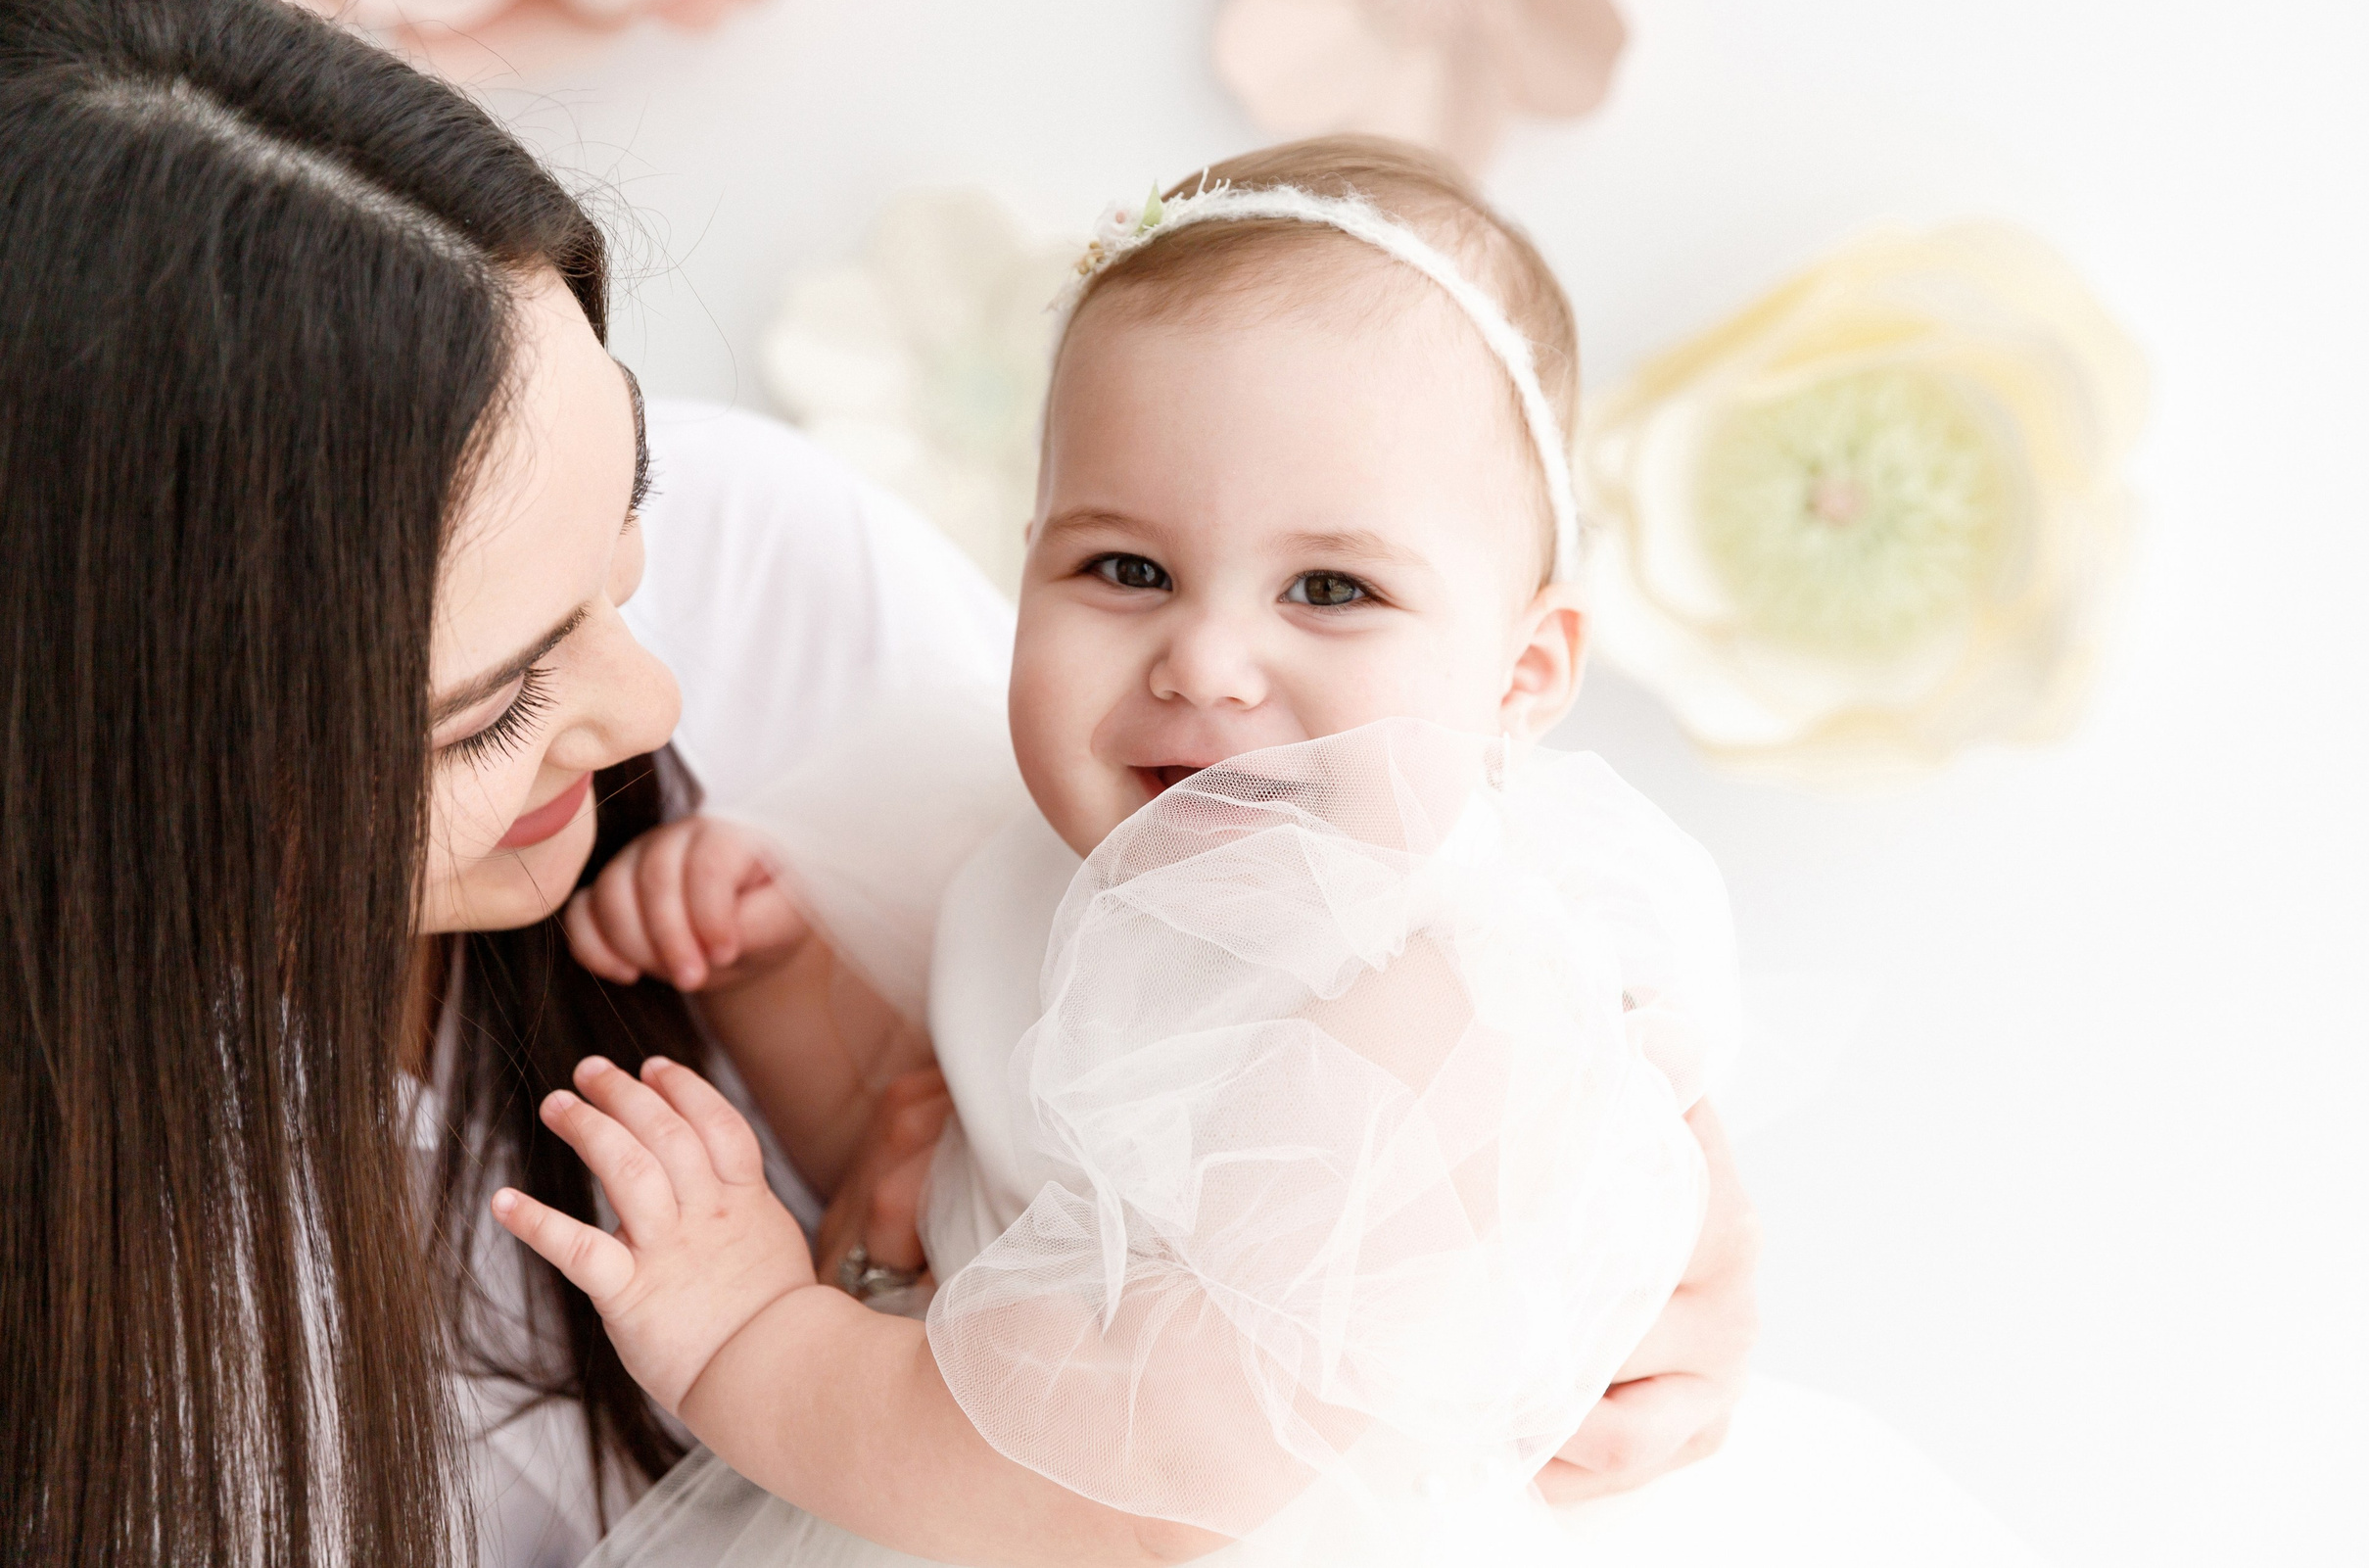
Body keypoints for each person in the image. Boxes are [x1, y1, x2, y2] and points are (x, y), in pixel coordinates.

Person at [0, 0, 1756, 1568]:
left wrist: (1661, 1237)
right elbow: (956, 1168)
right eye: (495, 703)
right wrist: (776, 990)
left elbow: (1115, 1380)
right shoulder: (1044, 829)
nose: (657, 709)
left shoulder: (811, 600)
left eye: (625, 541)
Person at [502, 142, 2049, 1566]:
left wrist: (750, 1338)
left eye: (1330, 591)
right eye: (1127, 568)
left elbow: (1140, 1484)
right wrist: (776, 977)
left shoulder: (1433, 1007)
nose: (1209, 661)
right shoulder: (1028, 862)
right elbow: (941, 1210)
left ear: (1521, 678)